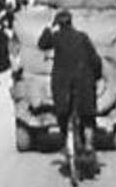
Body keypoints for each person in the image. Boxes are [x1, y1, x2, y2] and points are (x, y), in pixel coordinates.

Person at [37, 9, 101, 160]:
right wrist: (96, 76)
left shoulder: (57, 37)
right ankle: (89, 142)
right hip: (83, 81)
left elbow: (42, 44)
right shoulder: (82, 37)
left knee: (62, 113)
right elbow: (95, 60)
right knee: (88, 116)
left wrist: (48, 28)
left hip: (62, 83)